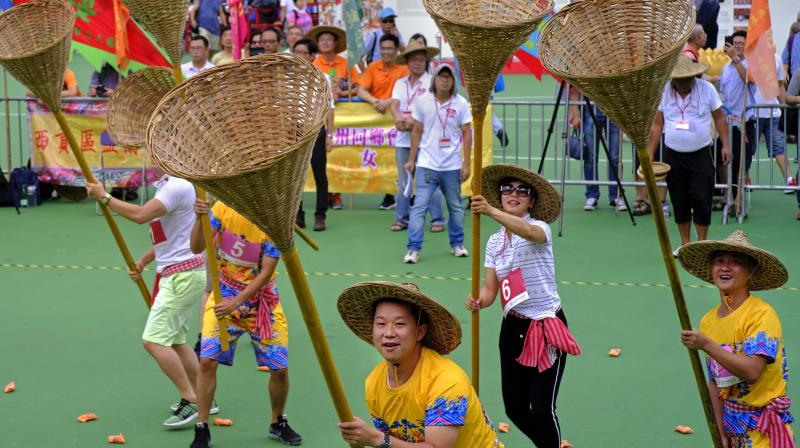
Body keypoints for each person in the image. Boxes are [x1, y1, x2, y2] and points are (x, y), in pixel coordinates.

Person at [466, 164, 579, 447]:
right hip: (513, 326)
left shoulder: (539, 228)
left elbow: (529, 232)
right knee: (514, 409)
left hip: (545, 326)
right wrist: (479, 300)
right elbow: (491, 290)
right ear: (500, 194)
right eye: (508, 189)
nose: (513, 194)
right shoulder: (493, 242)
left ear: (531, 200)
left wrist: (491, 211)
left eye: (522, 190)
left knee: (542, 407)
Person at [85, 172, 206, 429]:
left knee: (154, 341)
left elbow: (140, 216)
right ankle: (205, 396)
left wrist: (104, 197)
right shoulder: (167, 186)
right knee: (176, 341)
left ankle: (191, 398)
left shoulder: (177, 186)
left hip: (181, 276)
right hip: (180, 273)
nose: (151, 154)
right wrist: (143, 261)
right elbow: (169, 237)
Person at [189, 199, 302, 448]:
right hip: (223, 297)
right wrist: (199, 218)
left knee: (280, 368)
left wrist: (238, 301)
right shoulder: (222, 209)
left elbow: (266, 272)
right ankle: (202, 427)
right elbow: (196, 246)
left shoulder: (274, 220)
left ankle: (277, 422)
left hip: (262, 303)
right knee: (207, 360)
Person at [336, 281, 502, 447]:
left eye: (399, 324)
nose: (388, 333)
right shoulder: (373, 383)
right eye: (381, 324)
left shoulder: (446, 380)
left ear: (419, 332)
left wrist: (375, 438)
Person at [677, 230, 794, 448]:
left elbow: (752, 372)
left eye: (735, 262)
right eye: (719, 261)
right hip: (733, 430)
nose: (725, 267)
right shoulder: (708, 321)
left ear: (751, 271)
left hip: (764, 432)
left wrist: (706, 344)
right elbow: (715, 382)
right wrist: (720, 432)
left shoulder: (761, 314)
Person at [648, 56, 730, 253]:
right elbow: (658, 124)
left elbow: (719, 116)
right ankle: (685, 244)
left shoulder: (707, 89)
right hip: (673, 156)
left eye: (687, 78)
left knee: (703, 198)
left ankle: (701, 245)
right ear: (673, 78)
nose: (684, 82)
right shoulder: (664, 92)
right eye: (680, 79)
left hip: (701, 154)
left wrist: (725, 145)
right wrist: (649, 153)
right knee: (679, 200)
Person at [403, 65, 471, 264]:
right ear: (434, 80)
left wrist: (466, 163)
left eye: (448, 77)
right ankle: (413, 249)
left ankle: (457, 244)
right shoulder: (423, 101)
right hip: (426, 164)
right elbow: (416, 131)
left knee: (456, 207)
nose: (444, 80)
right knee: (419, 207)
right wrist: (411, 160)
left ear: (453, 82)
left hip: (451, 166)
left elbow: (467, 132)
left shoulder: (461, 103)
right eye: (441, 76)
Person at [390, 41, 446, 234]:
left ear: (426, 61)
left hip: (427, 141)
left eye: (421, 60)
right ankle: (401, 218)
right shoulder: (400, 83)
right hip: (403, 141)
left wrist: (413, 121)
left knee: (431, 181)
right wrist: (398, 118)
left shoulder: (433, 81)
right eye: (413, 59)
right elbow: (394, 104)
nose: (417, 63)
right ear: (407, 61)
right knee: (404, 181)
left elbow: (435, 108)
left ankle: (437, 219)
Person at [358, 34, 409, 212]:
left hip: (398, 123)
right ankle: (388, 195)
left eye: (390, 48)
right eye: (383, 49)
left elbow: (405, 93)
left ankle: (410, 195)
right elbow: (361, 90)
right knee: (381, 159)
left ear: (396, 50)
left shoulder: (404, 69)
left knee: (402, 161)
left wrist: (388, 101)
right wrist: (374, 101)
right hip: (377, 125)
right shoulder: (373, 67)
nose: (386, 52)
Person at [294, 37, 335, 231]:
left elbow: (330, 107)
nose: (299, 56)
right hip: (296, 133)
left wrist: (329, 135)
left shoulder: (322, 77)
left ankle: (320, 216)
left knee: (320, 175)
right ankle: (298, 215)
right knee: (296, 176)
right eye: (296, 52)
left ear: (312, 56)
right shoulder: (289, 77)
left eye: (303, 53)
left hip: (317, 131)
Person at [568, 90, 625, 211]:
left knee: (615, 157)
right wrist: (576, 114)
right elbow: (574, 90)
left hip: (614, 110)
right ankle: (592, 195)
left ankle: (616, 195)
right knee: (591, 156)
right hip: (590, 109)